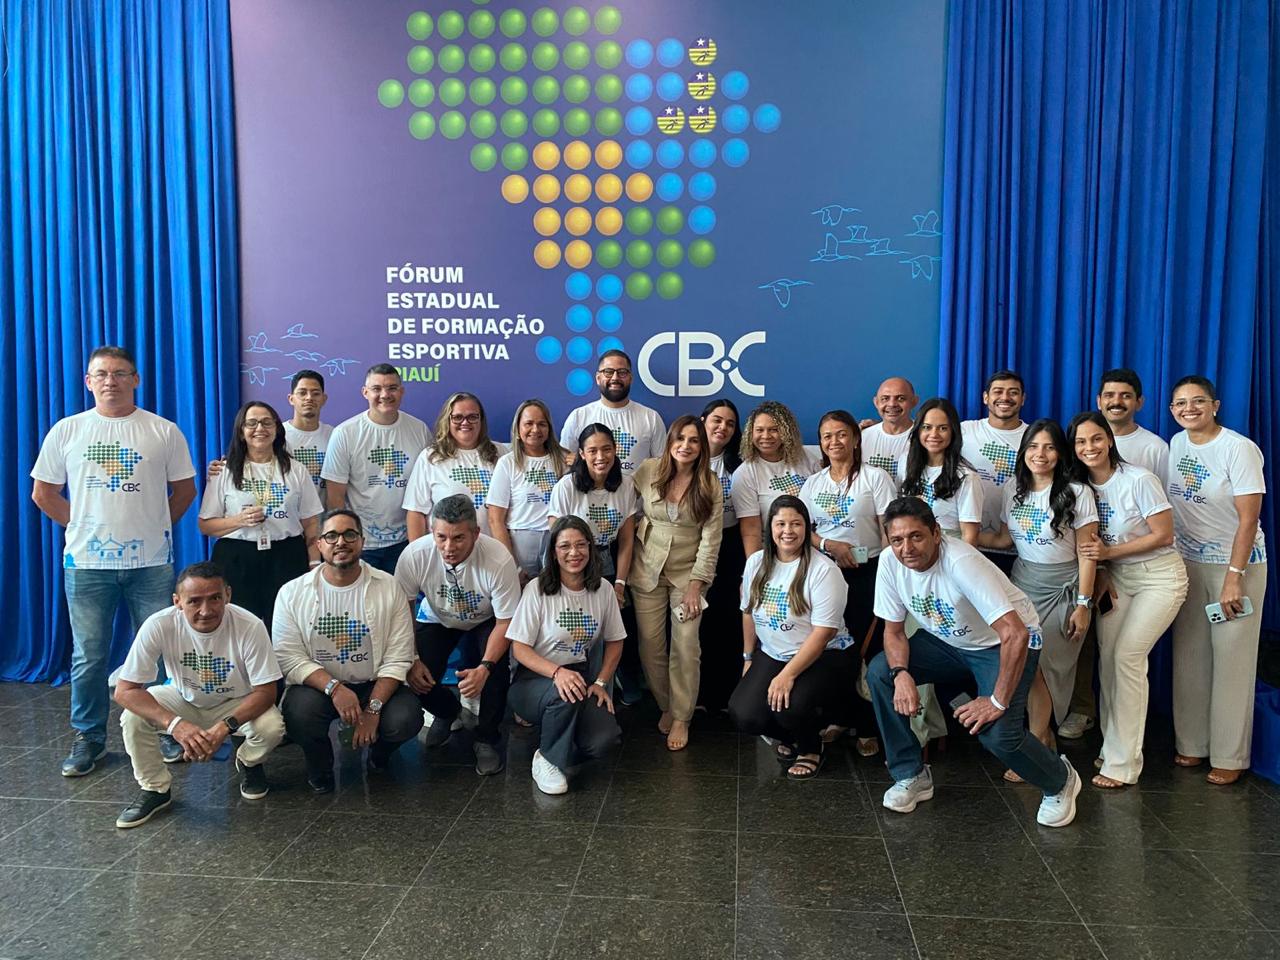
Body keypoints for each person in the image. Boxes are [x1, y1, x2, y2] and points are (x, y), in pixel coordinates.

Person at [31, 345, 197, 777]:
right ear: (89, 382)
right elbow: (43, 493)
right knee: (89, 654)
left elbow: (184, 491)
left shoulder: (162, 431)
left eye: (120, 373)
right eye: (101, 374)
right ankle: (89, 737)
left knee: (158, 653)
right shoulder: (68, 430)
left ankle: (162, 728)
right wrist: (81, 525)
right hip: (87, 563)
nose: (111, 381)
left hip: (151, 563)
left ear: (135, 380)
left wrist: (155, 525)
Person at [867, 497, 1081, 827]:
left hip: (1003, 644)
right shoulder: (889, 562)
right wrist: (900, 674)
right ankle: (911, 774)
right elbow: (893, 632)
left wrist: (996, 702)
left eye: (916, 536)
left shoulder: (961, 562)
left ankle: (1060, 780)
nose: (906, 548)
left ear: (936, 533)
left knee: (997, 735)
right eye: (897, 540)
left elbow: (1015, 634)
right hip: (948, 641)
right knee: (881, 671)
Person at [113, 562, 285, 827]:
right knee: (132, 716)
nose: (206, 610)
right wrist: (175, 725)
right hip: (183, 697)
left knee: (272, 727)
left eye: (215, 598)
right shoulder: (159, 624)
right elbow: (125, 691)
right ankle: (155, 789)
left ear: (228, 595)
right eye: (194, 601)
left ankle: (249, 761)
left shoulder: (249, 625)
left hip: (236, 701)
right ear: (177, 602)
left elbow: (266, 692)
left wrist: (223, 728)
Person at [1069, 412, 1187, 787]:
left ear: (1109, 440)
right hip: (1116, 580)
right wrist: (1103, 569)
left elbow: (1164, 535)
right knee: (1109, 662)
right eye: (1081, 442)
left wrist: (1108, 555)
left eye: (1096, 439)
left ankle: (1124, 764)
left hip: (1160, 578)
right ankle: (1112, 748)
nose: (1089, 447)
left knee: (1127, 658)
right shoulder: (1079, 487)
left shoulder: (1138, 479)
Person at [272, 508, 423, 793]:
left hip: (374, 684)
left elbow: (399, 656)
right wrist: (335, 688)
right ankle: (320, 766)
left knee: (405, 718)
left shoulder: (389, 587)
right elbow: (288, 657)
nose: (341, 542)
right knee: (299, 714)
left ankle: (380, 754)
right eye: (331, 536)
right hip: (320, 687)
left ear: (362, 542)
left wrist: (373, 709)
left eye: (349, 534)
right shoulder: (291, 593)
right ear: (319, 544)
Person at [980, 419, 1099, 780]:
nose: (1040, 454)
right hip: (1022, 586)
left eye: (1049, 447)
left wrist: (1083, 604)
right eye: (1033, 447)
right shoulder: (1012, 489)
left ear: (1060, 453)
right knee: (1027, 667)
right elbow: (1005, 540)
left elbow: (1088, 554)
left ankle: (1036, 744)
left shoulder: (1077, 492)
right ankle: (1040, 740)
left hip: (1064, 588)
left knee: (1045, 669)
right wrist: (960, 538)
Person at [1166, 376, 1267, 785]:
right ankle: (1193, 743)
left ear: (1215, 405)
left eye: (1198, 401)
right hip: (1189, 563)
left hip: (1236, 566)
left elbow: (1249, 519)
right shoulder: (1177, 444)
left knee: (1232, 659)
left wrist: (1234, 578)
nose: (1189, 409)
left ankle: (1230, 755)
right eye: (1180, 403)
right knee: (1189, 656)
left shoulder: (1239, 448)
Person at [729, 496, 856, 780]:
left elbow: (823, 633)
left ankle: (810, 748)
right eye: (781, 524)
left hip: (825, 654)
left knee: (789, 706)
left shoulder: (824, 570)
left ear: (807, 528)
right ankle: (795, 736)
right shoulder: (756, 562)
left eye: (796, 524)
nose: (788, 531)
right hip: (773, 652)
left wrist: (787, 675)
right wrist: (748, 658)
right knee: (744, 714)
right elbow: (747, 612)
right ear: (770, 528)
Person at [394, 495, 521, 775]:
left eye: (459, 538)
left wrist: (484, 667)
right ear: (432, 532)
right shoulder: (415, 555)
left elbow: (506, 622)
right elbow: (402, 612)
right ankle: (447, 712)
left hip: (487, 618)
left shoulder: (499, 559)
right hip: (439, 616)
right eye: (441, 537)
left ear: (476, 533)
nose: (449, 547)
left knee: (495, 672)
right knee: (415, 673)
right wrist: (412, 658)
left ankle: (487, 738)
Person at [799, 411, 896, 755]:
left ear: (856, 438)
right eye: (827, 436)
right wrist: (830, 545)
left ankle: (869, 726)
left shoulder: (876, 478)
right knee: (833, 649)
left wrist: (888, 575)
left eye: (841, 434)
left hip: (868, 574)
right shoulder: (813, 483)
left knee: (868, 650)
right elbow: (803, 530)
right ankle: (839, 717)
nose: (834, 442)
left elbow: (889, 530)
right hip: (825, 576)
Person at [508, 516, 626, 794]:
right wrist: (557, 673)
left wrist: (600, 682)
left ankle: (559, 741)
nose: (574, 553)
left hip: (579, 677)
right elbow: (519, 648)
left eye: (581, 545)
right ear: (553, 552)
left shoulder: (603, 590)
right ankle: (548, 759)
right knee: (564, 693)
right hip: (533, 679)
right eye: (565, 546)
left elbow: (616, 641)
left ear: (591, 548)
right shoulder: (537, 589)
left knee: (605, 740)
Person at [630, 416, 724, 751]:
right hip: (647, 570)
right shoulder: (648, 471)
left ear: (702, 447)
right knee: (651, 646)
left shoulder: (710, 483)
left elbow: (711, 540)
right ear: (670, 441)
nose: (686, 446)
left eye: (694, 440)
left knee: (686, 646)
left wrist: (697, 585)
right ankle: (667, 705)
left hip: (689, 576)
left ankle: (683, 715)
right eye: (680, 438)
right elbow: (618, 499)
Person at [197, 400, 322, 629]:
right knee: (239, 628)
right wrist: (239, 520)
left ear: (277, 429)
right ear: (241, 431)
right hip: (237, 557)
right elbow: (205, 525)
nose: (259, 429)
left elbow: (311, 522)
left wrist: (314, 563)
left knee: (287, 626)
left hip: (287, 556)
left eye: (266, 422)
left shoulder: (295, 470)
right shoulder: (224, 470)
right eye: (251, 423)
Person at [549, 423, 640, 701]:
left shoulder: (625, 485)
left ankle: (613, 686)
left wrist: (620, 584)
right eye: (592, 451)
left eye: (606, 449)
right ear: (581, 454)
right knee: (579, 624)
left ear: (615, 450)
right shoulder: (567, 486)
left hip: (607, 558)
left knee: (617, 624)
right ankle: (571, 688)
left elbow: (626, 540)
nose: (601, 457)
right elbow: (556, 541)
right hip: (573, 561)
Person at [320, 364, 431, 573]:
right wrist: (346, 541)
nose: (385, 395)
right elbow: (335, 499)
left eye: (392, 388)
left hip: (406, 541)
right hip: (361, 544)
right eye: (377, 389)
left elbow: (426, 490)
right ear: (365, 392)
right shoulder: (345, 433)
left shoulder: (420, 430)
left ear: (401, 391)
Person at [404, 391, 505, 540]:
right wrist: (416, 551)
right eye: (457, 417)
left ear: (481, 420)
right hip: (446, 549)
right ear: (447, 420)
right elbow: (415, 512)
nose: (465, 422)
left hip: (490, 548)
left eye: (472, 417)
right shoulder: (431, 457)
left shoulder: (500, 453)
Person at [488, 399, 568, 581]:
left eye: (542, 424)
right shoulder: (507, 463)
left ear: (549, 428)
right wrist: (512, 565)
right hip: (521, 544)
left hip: (557, 540)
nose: (535, 429)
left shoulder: (564, 459)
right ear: (518, 429)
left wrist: (578, 463)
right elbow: (495, 519)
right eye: (528, 423)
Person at [699, 399, 745, 714]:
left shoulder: (740, 464)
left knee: (729, 618)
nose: (722, 427)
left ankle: (728, 693)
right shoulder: (687, 455)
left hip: (731, 544)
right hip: (695, 545)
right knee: (699, 620)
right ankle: (700, 694)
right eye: (717, 420)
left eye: (730, 423)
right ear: (703, 420)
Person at [961, 370, 1029, 574]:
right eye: (998, 391)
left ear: (1023, 399)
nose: (1005, 398)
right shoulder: (964, 431)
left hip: (1017, 551)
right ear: (985, 397)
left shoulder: (1034, 437)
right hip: (967, 545)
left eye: (1013, 392)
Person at [731, 400, 818, 559]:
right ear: (750, 433)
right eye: (759, 430)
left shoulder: (807, 458)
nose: (766, 436)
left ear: (786, 432)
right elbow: (751, 530)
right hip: (774, 554)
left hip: (813, 549)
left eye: (774, 430)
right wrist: (756, 567)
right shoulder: (744, 474)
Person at [558, 349, 666, 476]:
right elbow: (564, 465)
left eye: (622, 372)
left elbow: (662, 467)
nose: (615, 378)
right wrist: (579, 463)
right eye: (608, 372)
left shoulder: (651, 418)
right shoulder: (578, 417)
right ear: (598, 378)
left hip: (637, 490)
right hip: (590, 489)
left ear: (630, 378)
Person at [898, 398, 984, 545]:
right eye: (927, 427)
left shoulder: (967, 477)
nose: (934, 434)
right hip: (911, 550)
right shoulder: (906, 462)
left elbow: (970, 536)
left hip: (949, 552)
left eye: (943, 428)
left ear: (953, 432)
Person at [1097, 368, 1169, 482]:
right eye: (1109, 395)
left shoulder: (1157, 448)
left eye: (1126, 396)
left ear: (1139, 403)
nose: (1116, 402)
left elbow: (1164, 491)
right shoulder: (1085, 445)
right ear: (1099, 402)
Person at [283, 369, 333, 494]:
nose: (309, 398)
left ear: (324, 399)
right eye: (302, 393)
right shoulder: (277, 435)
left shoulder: (334, 435)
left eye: (315, 393)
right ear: (291, 399)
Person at [860, 377, 919, 483]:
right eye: (885, 398)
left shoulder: (925, 438)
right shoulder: (862, 437)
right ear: (876, 402)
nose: (892, 404)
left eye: (900, 398)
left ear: (914, 401)